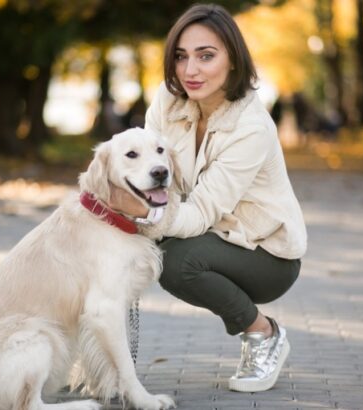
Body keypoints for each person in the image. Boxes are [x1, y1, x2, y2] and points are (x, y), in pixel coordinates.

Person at [109, 3, 307, 392]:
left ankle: (263, 333)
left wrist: (142, 216)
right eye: (181, 57)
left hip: (265, 254)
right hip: (208, 234)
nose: (190, 70)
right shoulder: (167, 102)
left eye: (206, 56)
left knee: (175, 263)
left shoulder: (251, 127)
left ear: (233, 60)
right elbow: (139, 174)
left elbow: (198, 211)